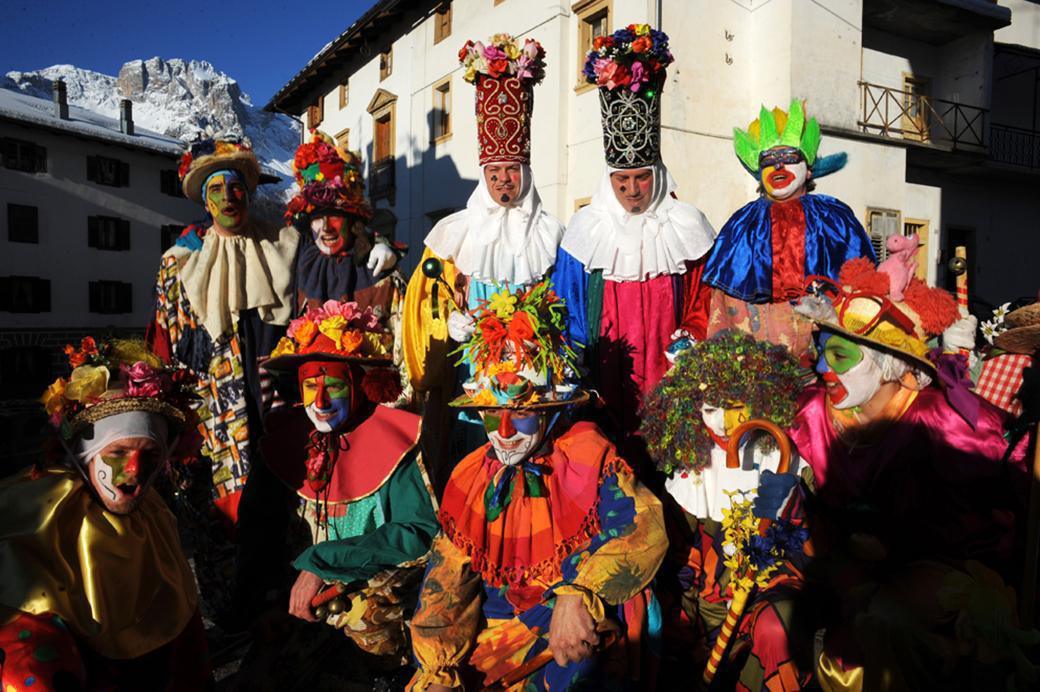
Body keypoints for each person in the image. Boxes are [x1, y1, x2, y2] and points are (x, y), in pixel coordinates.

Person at [408, 282, 667, 691]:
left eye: (523, 413)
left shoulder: (589, 454)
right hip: (494, 637)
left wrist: (576, 593)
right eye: (494, 413)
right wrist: (437, 667)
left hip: (572, 632)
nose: (505, 430)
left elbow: (643, 531)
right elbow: (446, 585)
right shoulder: (471, 476)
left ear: (549, 408)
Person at [792, 258, 1035, 690]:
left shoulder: (942, 419)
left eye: (840, 354)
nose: (823, 369)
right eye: (821, 351)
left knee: (887, 621)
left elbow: (1013, 476)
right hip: (851, 564)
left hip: (946, 564)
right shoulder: (812, 410)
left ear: (890, 364)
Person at [146, 137, 299, 623]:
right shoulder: (180, 262)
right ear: (204, 199)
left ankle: (282, 599)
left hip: (276, 399)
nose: (229, 198)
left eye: (237, 187)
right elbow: (165, 345)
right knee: (218, 504)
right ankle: (228, 610)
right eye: (218, 189)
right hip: (213, 410)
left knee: (280, 495)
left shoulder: (281, 247)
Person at [402, 34, 564, 490]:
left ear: (526, 173)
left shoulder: (552, 234)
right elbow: (430, 304)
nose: (503, 181)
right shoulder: (456, 233)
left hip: (531, 374)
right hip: (474, 371)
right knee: (477, 454)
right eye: (494, 173)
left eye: (512, 170)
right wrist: (450, 322)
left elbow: (562, 301)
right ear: (484, 175)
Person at [0, 338, 209, 691]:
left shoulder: (155, 517)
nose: (133, 470)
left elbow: (184, 638)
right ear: (86, 455)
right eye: (118, 451)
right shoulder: (41, 506)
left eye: (150, 455)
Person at [555, 24, 716, 444]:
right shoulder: (585, 232)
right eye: (621, 180)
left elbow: (706, 297)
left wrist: (693, 337)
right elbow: (566, 305)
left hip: (671, 376)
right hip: (605, 378)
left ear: (657, 175)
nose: (631, 190)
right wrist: (576, 363)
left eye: (641, 178)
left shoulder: (687, 227)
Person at [260, 300, 438, 664]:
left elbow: (417, 532)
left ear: (359, 386)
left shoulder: (393, 442)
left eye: (334, 387)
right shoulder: (288, 440)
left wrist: (324, 560)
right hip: (297, 599)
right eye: (311, 387)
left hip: (367, 595)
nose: (321, 401)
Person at [641, 330, 812, 690]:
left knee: (778, 628)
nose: (722, 424)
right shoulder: (691, 469)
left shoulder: (783, 458)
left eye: (736, 407)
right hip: (703, 613)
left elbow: (802, 552)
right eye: (710, 409)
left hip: (760, 601)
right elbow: (676, 561)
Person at [701, 100, 875, 358]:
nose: (779, 166)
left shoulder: (835, 218)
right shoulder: (741, 224)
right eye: (769, 160)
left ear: (808, 171)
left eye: (789, 158)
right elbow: (720, 303)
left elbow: (863, 283)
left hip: (823, 360)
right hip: (754, 366)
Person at [285, 130, 402, 318]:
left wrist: (386, 250)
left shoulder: (374, 261)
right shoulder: (306, 260)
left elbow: (405, 330)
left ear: (353, 220)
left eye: (334, 216)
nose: (325, 228)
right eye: (316, 218)